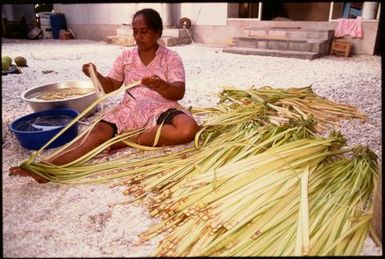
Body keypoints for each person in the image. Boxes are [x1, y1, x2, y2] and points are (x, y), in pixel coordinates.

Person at [9, 8, 199, 183]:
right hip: (130, 110)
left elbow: (178, 92)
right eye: (135, 31)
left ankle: (126, 140)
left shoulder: (171, 57)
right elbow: (110, 87)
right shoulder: (126, 57)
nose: (138, 37)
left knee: (187, 130)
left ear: (158, 32)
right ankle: (46, 169)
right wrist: (95, 75)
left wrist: (160, 85)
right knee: (95, 134)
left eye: (144, 31)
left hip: (161, 109)